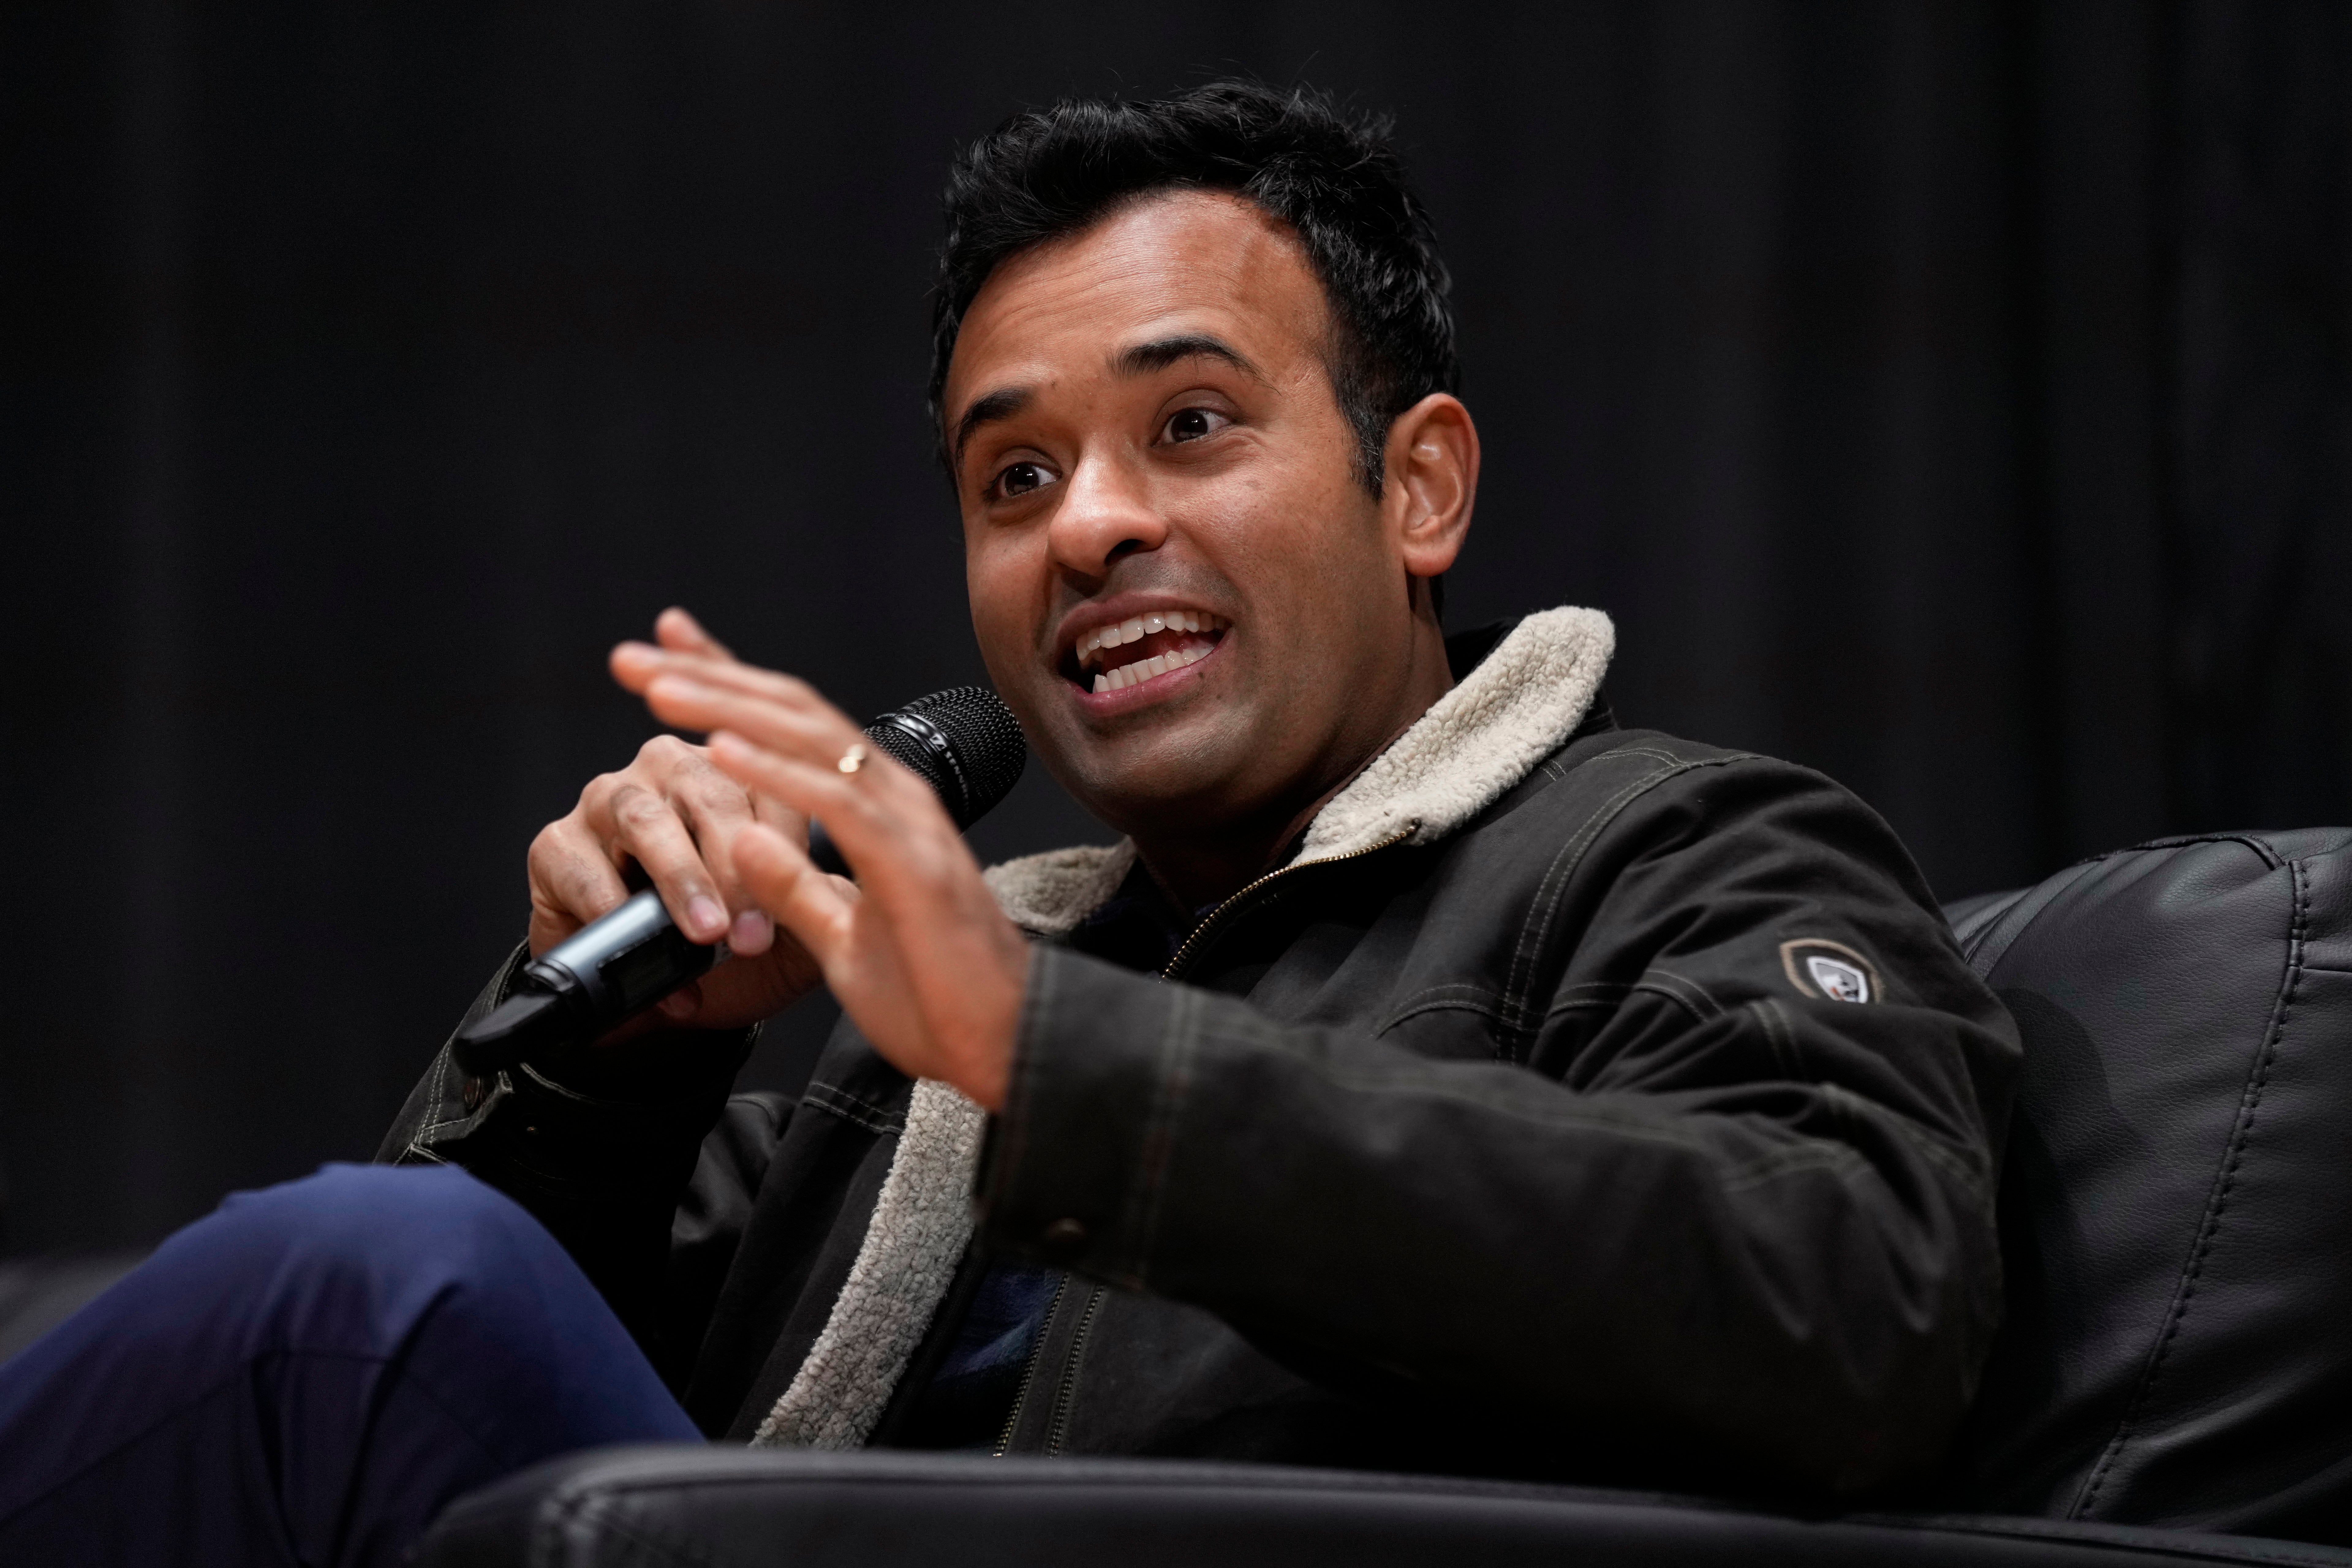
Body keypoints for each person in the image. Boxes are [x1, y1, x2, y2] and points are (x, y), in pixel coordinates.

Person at [0, 81, 2020, 1564]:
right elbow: (355, 1484)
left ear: (1422, 489)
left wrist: (1062, 1065)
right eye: (1013, 477)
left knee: (378, 1286)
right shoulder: (936, 1039)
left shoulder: (1683, 852)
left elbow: (1855, 1303)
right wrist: (612, 1068)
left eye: (1193, 427)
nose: (1093, 526)